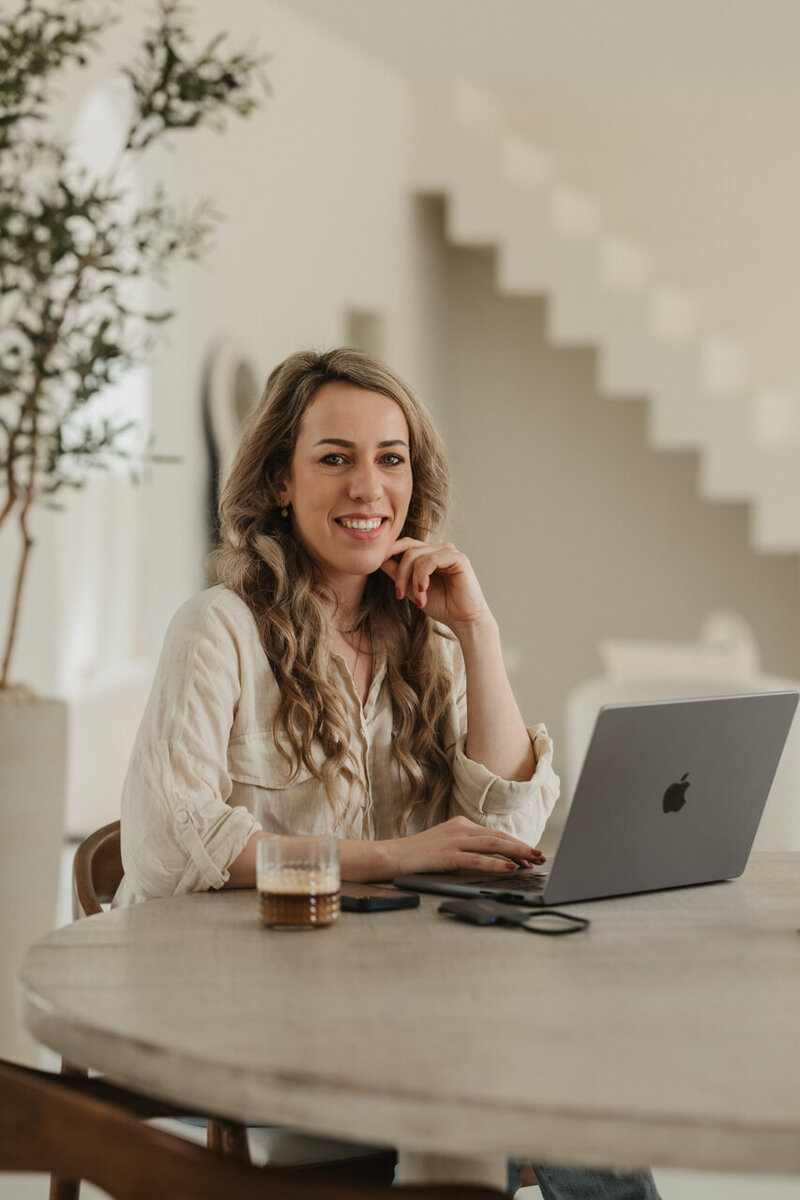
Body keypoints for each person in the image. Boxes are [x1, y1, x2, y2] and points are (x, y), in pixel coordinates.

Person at [116, 348, 661, 1200]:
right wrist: (395, 858)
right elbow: (160, 844)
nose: (369, 486)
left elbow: (507, 835)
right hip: (231, 1018)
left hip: (386, 1012)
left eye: (390, 458)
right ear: (281, 481)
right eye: (335, 458)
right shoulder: (217, 627)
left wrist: (476, 627)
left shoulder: (425, 640)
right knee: (502, 1104)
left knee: (576, 1092)